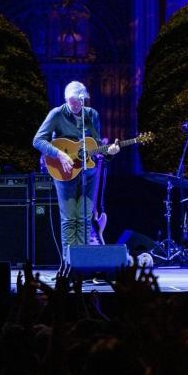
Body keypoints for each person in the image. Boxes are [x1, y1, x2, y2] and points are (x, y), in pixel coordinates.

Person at [33, 81, 119, 255]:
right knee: (69, 219)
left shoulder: (92, 115)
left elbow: (95, 145)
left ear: (83, 99)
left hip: (89, 173)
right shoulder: (56, 114)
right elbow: (38, 140)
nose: (73, 105)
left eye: (76, 101)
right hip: (65, 173)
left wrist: (110, 151)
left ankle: (83, 261)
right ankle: (69, 264)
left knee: (85, 219)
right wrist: (60, 154)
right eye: (69, 101)